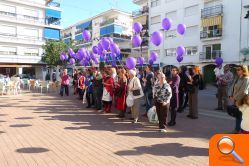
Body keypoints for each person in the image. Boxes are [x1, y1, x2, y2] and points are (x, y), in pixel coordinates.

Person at [228, 65, 249, 133]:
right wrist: (230, 95)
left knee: (241, 116)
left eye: (239, 69)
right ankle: (237, 129)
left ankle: (239, 130)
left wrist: (235, 98)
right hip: (236, 99)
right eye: (236, 69)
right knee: (238, 115)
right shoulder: (237, 78)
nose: (237, 71)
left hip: (242, 100)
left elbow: (243, 91)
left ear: (243, 70)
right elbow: (233, 87)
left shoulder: (246, 78)